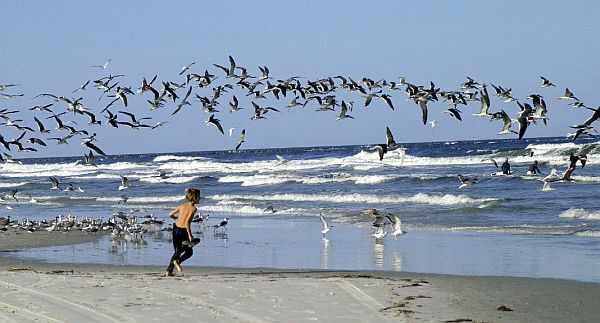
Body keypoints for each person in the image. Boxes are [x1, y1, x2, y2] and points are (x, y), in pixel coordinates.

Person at [165, 188, 200, 277]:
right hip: (183, 231)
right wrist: (190, 235)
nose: (200, 198)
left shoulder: (182, 206)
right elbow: (187, 222)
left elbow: (170, 214)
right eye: (199, 197)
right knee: (189, 253)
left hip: (175, 229)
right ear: (194, 197)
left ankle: (169, 271)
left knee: (177, 251)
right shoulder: (193, 209)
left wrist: (176, 219)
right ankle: (177, 262)